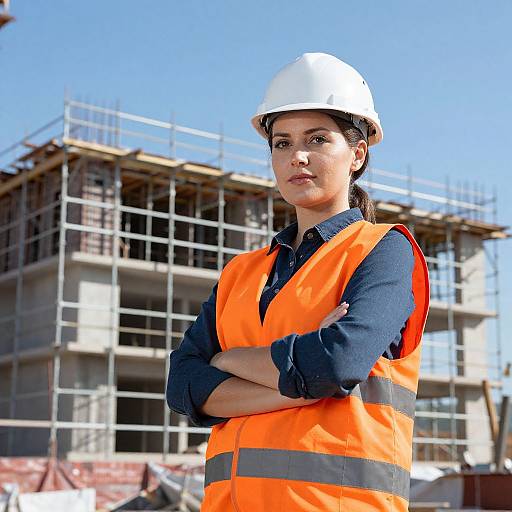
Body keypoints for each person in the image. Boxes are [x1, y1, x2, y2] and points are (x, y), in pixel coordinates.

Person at [166, 53, 430, 511]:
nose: (297, 157)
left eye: (318, 139)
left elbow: (335, 364)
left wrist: (226, 359)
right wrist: (296, 384)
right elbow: (182, 384)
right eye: (282, 143)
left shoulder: (384, 250)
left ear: (358, 154)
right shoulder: (239, 273)